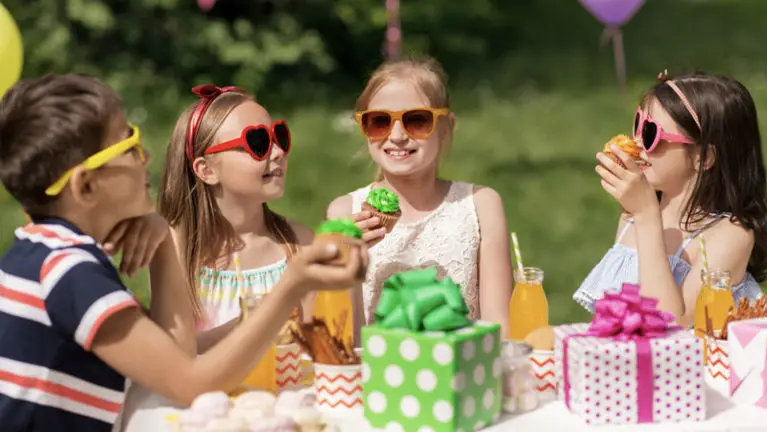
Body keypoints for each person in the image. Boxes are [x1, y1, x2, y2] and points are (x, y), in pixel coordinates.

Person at [0, 74, 366, 431]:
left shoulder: (47, 253)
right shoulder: (69, 272)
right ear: (86, 186)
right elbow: (191, 384)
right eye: (129, 148)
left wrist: (160, 240)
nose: (146, 158)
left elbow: (173, 357)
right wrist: (291, 284)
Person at [326, 58, 512, 336]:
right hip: (377, 372)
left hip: (461, 371)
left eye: (416, 120)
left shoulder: (480, 205)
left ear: (446, 126)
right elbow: (343, 339)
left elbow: (500, 330)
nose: (397, 135)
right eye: (379, 122)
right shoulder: (344, 213)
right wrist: (348, 264)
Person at [576, 71, 767, 326]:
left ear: (704, 157)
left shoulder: (729, 234)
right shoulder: (634, 214)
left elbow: (672, 323)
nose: (637, 143)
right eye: (638, 124)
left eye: (650, 134)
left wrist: (646, 217)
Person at [157, 84, 315, 348]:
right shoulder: (176, 246)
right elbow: (171, 353)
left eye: (279, 137)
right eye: (258, 142)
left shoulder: (299, 243)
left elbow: (317, 346)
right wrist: (253, 321)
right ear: (206, 170)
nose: (278, 153)